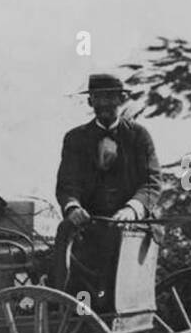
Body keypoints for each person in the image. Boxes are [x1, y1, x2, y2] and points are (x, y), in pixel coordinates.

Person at [53, 73, 162, 306]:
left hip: (130, 223)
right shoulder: (75, 138)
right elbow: (67, 183)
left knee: (116, 240)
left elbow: (151, 181)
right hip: (89, 223)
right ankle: (64, 304)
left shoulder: (138, 136)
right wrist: (73, 207)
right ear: (90, 101)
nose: (104, 104)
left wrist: (132, 209)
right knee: (66, 233)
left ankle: (113, 307)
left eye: (110, 97)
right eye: (98, 98)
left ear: (121, 99)